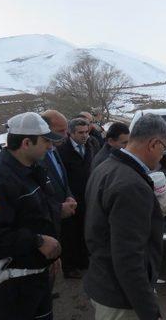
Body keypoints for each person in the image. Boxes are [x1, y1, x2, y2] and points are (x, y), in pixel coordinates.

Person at [0, 112, 63, 320]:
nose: (50, 146)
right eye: (45, 141)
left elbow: (32, 214)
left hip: (35, 277)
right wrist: (38, 242)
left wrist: (50, 254)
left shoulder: (30, 170)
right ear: (26, 143)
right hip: (13, 286)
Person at [84, 114, 166, 320]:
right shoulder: (130, 185)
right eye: (164, 148)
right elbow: (129, 258)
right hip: (121, 299)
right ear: (154, 144)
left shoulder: (105, 166)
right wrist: (149, 311)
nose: (163, 156)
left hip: (103, 282)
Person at [57, 117, 94, 278]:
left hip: (88, 195)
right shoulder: (62, 150)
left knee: (84, 229)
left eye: (86, 132)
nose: (84, 135)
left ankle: (83, 260)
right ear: (70, 133)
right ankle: (69, 266)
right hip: (71, 198)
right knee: (70, 234)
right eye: (80, 133)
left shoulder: (91, 145)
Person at [39, 110, 77, 231]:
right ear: (46, 130)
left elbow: (61, 180)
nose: (66, 135)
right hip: (48, 226)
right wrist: (58, 209)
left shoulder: (54, 148)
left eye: (66, 130)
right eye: (61, 131)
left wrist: (69, 196)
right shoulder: (36, 157)